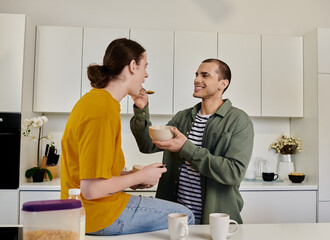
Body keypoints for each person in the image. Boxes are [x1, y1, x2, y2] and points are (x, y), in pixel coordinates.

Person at [60, 38, 194, 236]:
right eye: (144, 67)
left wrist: (132, 179)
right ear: (132, 66)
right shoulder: (102, 110)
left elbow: (96, 175)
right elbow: (91, 189)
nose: (146, 74)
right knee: (185, 217)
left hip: (90, 209)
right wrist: (140, 175)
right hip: (97, 214)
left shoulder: (99, 101)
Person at [130, 58, 254, 224]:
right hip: (176, 218)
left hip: (215, 220)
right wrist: (141, 109)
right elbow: (147, 145)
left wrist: (186, 148)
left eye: (205, 75)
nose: (197, 79)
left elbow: (234, 173)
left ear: (222, 84)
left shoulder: (239, 120)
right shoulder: (183, 117)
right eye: (196, 75)